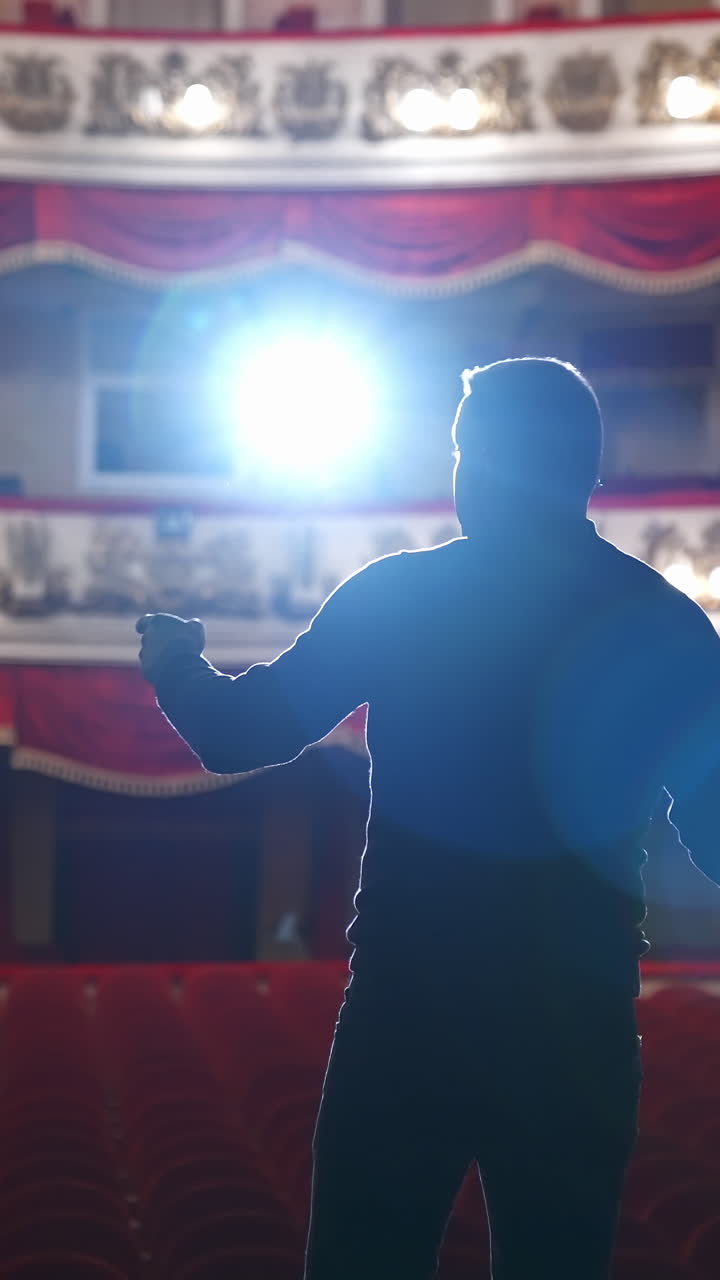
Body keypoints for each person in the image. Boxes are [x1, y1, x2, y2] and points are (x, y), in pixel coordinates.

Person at [137, 357, 720, 1280]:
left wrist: (174, 665)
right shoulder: (668, 625)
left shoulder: (402, 597)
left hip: (411, 1011)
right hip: (576, 1024)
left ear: (479, 465)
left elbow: (242, 735)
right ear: (584, 472)